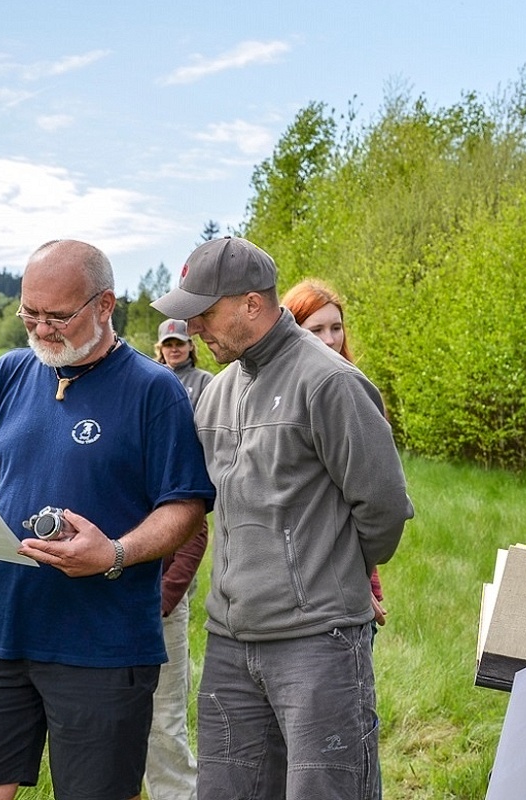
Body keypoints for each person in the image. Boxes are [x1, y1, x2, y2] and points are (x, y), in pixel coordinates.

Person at [0, 239, 216, 800]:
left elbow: (186, 508)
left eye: (57, 316)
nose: (41, 329)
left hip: (103, 644)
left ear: (105, 305)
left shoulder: (155, 391)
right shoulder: (7, 373)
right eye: (30, 312)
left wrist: (114, 553)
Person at [152, 236, 414, 800]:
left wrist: (332, 574)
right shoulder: (217, 393)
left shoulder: (330, 383)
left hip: (318, 642)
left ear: (251, 303)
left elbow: (384, 508)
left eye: (204, 314)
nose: (194, 330)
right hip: (229, 642)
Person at [279, 279, 388, 628]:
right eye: (316, 329)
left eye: (336, 327)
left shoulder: (354, 388)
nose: (329, 339)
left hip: (346, 568)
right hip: (297, 577)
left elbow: (376, 499)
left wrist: (357, 580)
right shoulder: (279, 397)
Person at [144, 318, 214, 800]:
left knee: (164, 716)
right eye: (166, 344)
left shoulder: (205, 386)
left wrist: (167, 596)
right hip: (103, 594)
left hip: (163, 591)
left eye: (180, 344)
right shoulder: (147, 385)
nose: (173, 350)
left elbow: (193, 523)